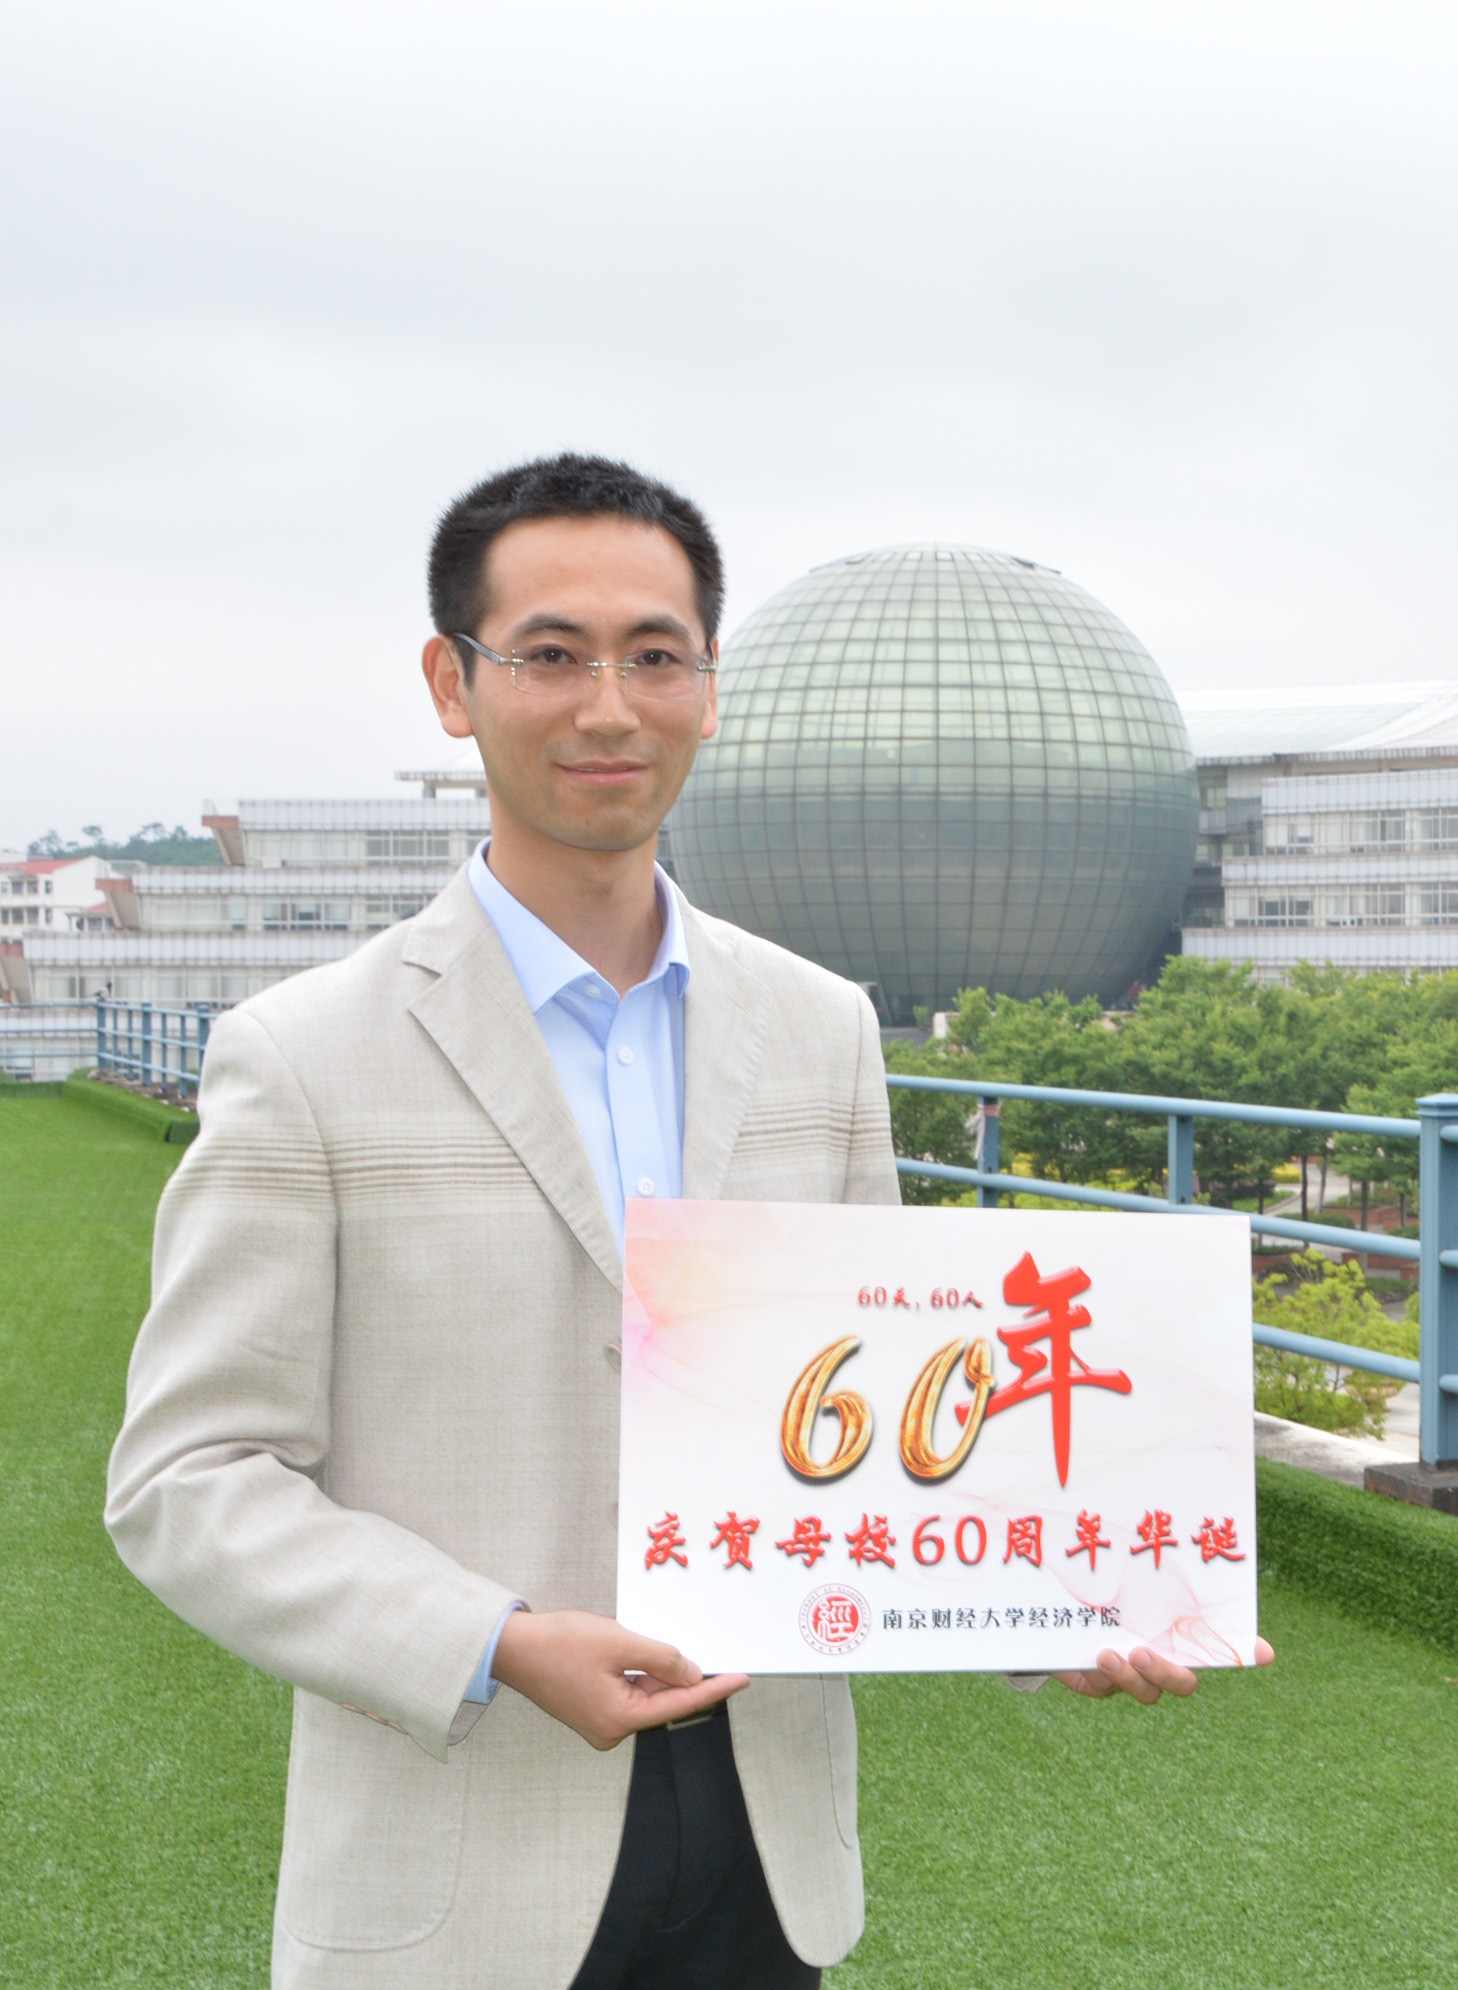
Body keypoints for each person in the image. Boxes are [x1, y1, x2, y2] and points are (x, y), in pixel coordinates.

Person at [105, 454, 1261, 1990]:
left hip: (762, 1858)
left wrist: (1055, 1604)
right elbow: (190, 1479)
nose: (609, 707)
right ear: (453, 684)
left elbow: (893, 1421)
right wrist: (494, 1639)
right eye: (552, 654)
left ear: (710, 689)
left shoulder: (818, 1028)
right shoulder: (307, 1055)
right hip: (460, 1870)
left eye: (654, 656)